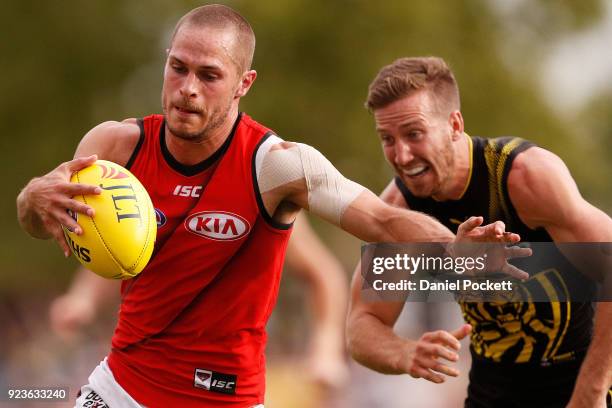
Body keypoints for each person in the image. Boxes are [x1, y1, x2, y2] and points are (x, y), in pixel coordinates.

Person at [16, 6, 519, 407]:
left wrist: (456, 249)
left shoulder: (277, 166)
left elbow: (380, 218)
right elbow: (42, 222)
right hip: (121, 389)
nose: (188, 89)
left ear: (243, 83)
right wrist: (33, 197)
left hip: (230, 398)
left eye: (210, 75)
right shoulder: (114, 148)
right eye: (178, 68)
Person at [346, 56, 612, 407]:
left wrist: (590, 392)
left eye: (414, 133)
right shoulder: (398, 210)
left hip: (581, 373)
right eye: (387, 138)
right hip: (494, 384)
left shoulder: (524, 178)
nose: (403, 155)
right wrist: (405, 352)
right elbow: (362, 323)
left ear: (454, 125)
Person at [49, 213, 350, 391]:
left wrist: (326, 348)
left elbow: (324, 274)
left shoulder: (266, 188)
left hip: (223, 378)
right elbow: (117, 252)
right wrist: (81, 299)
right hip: (145, 369)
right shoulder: (150, 182)